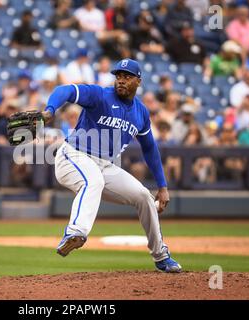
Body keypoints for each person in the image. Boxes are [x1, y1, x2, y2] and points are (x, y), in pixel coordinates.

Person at [41, 58, 182, 273]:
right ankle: (75, 232)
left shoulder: (141, 112)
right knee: (93, 180)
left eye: (127, 77)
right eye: (118, 76)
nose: (121, 81)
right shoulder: (100, 95)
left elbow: (150, 148)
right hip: (73, 156)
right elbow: (65, 90)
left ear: (139, 81)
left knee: (144, 197)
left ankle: (161, 256)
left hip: (105, 164)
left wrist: (162, 187)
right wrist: (50, 109)